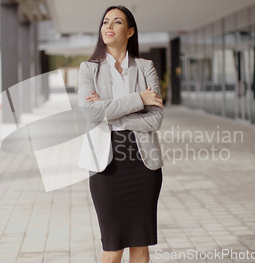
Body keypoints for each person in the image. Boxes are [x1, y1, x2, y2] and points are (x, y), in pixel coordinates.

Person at [77, 5, 165, 263]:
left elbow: (156, 118)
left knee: (140, 246)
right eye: (105, 22)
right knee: (112, 248)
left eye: (116, 22)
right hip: (106, 165)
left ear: (130, 31)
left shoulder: (145, 67)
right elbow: (91, 114)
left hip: (143, 163)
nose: (108, 26)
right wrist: (139, 98)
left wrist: (109, 109)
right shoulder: (88, 69)